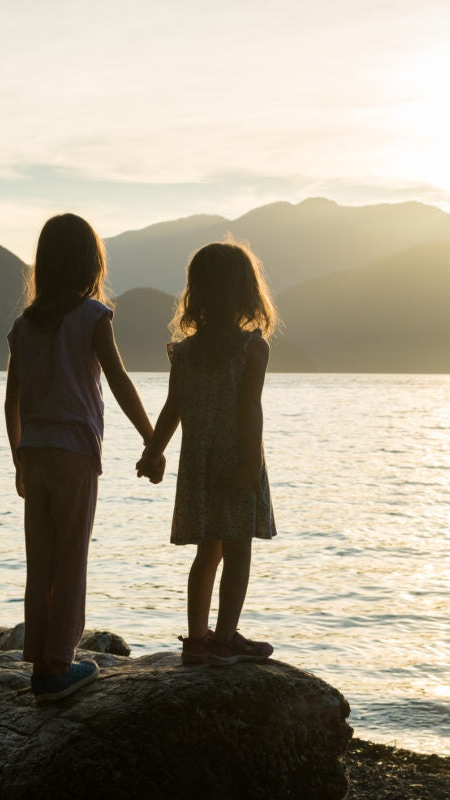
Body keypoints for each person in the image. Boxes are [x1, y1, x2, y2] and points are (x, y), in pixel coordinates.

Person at [5, 213, 155, 702]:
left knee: (41, 561)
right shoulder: (92, 317)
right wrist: (151, 439)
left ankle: (38, 662)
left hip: (36, 454)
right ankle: (59, 666)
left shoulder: (23, 327)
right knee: (71, 559)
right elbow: (118, 380)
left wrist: (18, 460)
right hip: (74, 453)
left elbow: (12, 400)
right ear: (91, 264)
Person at [136, 240, 278, 667]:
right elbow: (250, 407)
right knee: (237, 551)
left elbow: (172, 408)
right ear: (246, 293)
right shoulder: (252, 348)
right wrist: (251, 464)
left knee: (208, 551)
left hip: (198, 463)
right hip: (237, 461)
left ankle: (197, 640)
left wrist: (153, 452)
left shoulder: (185, 352)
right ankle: (226, 639)